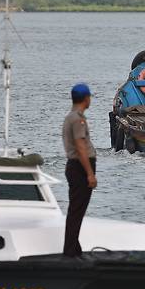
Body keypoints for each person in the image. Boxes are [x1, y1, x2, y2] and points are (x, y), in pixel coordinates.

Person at [62, 83, 97, 258]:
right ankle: (70, 250)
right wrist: (90, 173)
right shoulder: (77, 119)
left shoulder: (71, 117)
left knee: (76, 209)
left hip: (75, 166)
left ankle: (74, 247)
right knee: (77, 210)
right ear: (85, 98)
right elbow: (80, 146)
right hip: (80, 168)